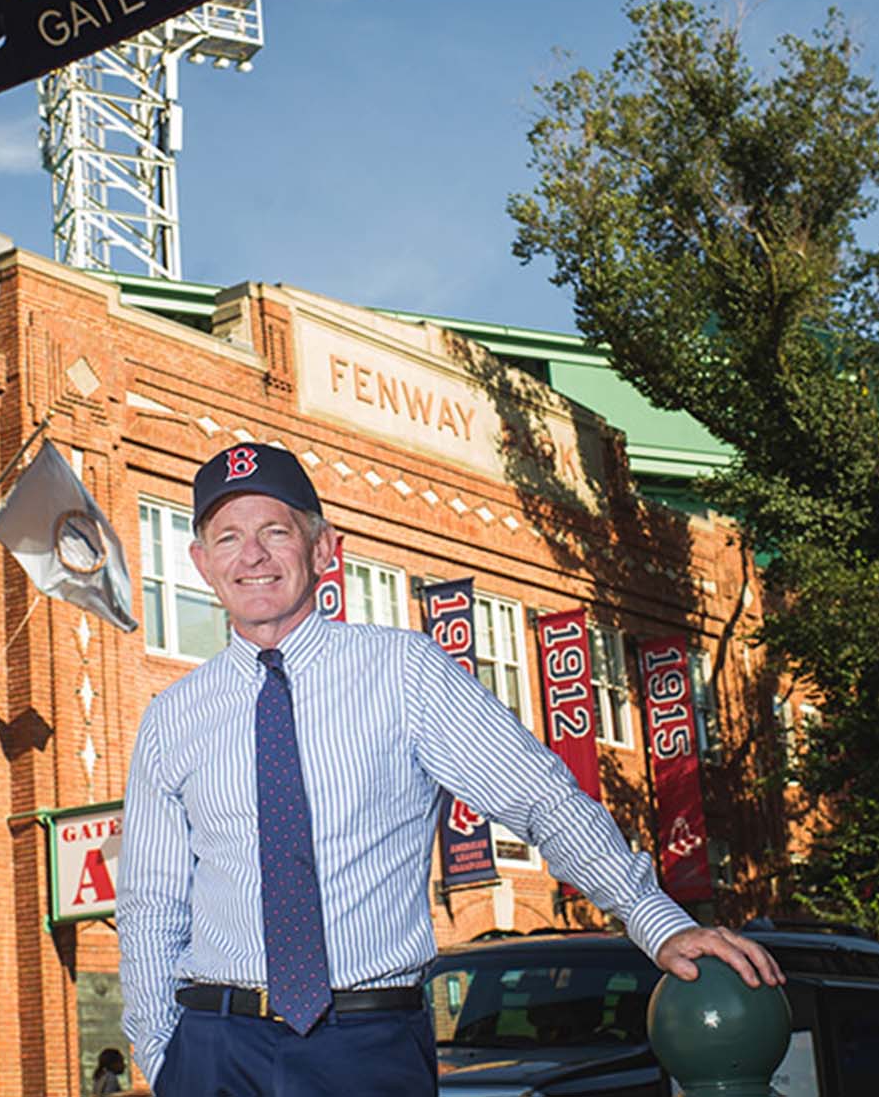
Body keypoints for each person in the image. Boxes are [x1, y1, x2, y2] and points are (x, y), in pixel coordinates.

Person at [117, 444, 784, 1096]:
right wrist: (164, 1051)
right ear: (201, 562)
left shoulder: (405, 672)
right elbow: (151, 904)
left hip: (365, 1045)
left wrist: (655, 917)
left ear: (324, 549)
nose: (252, 555)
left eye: (274, 530)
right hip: (215, 1046)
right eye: (228, 536)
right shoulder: (173, 716)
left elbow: (542, 798)